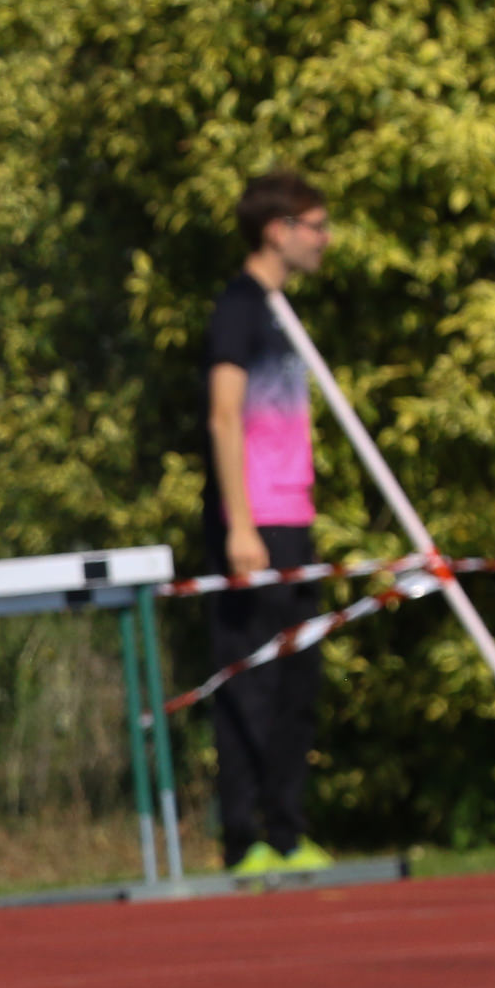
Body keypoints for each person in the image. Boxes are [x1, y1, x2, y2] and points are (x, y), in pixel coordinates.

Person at [202, 170, 336, 875]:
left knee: (296, 680)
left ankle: (287, 832)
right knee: (249, 679)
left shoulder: (284, 312)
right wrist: (239, 524)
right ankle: (243, 837)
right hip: (253, 523)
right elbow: (225, 416)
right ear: (277, 230)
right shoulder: (239, 308)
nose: (324, 240)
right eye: (316, 226)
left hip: (295, 516)